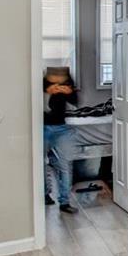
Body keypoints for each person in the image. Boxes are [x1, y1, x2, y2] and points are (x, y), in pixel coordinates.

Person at [43, 67, 78, 213]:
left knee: (65, 165)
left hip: (62, 128)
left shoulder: (68, 81)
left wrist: (69, 92)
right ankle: (45, 195)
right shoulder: (41, 83)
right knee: (40, 164)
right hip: (42, 127)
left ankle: (64, 202)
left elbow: (75, 101)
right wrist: (46, 93)